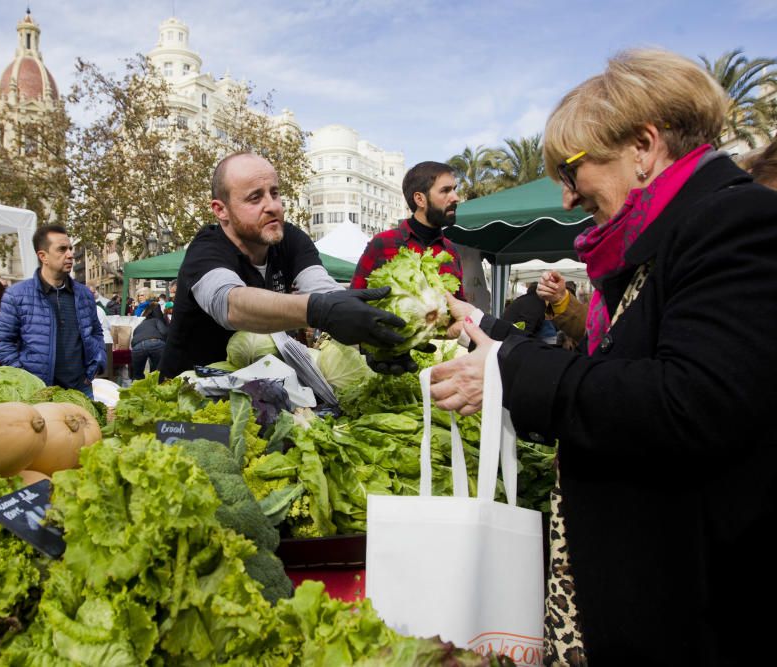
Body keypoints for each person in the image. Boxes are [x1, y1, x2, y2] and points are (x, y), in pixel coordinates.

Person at [429, 49, 777, 664]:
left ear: (643, 147)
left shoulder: (736, 220)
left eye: (570, 171)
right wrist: (501, 349)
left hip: (691, 607)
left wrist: (514, 371)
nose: (566, 199)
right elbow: (620, 379)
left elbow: (694, 401)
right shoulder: (658, 242)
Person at [158, 151, 406, 378]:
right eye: (255, 198)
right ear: (220, 210)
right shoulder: (206, 249)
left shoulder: (290, 238)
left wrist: (374, 333)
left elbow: (322, 289)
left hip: (258, 393)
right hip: (190, 398)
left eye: (274, 193)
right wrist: (319, 311)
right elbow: (229, 304)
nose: (273, 206)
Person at [0, 224, 106, 397]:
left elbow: (96, 331)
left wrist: (97, 362)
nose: (70, 254)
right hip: (38, 392)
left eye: (70, 248)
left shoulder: (83, 294)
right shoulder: (17, 295)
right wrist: (23, 376)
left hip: (80, 389)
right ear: (43, 256)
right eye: (62, 249)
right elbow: (2, 341)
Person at [351, 161, 465, 300]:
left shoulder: (451, 251)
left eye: (454, 189)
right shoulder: (383, 243)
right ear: (420, 199)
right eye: (445, 191)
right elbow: (353, 301)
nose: (456, 198)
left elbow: (460, 306)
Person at [130, 302, 168, 380]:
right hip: (155, 342)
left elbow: (134, 336)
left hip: (137, 346)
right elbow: (164, 332)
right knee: (158, 373)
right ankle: (157, 389)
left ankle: (137, 391)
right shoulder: (156, 320)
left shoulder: (140, 324)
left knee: (137, 376)